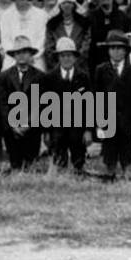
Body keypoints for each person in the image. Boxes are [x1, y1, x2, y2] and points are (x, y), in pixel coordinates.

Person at [93, 31, 131, 179]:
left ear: (126, 51)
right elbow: (97, 98)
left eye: (120, 48)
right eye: (112, 48)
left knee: (127, 151)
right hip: (108, 120)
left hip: (128, 120)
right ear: (108, 50)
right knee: (109, 150)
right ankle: (110, 173)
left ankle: (127, 173)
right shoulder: (101, 70)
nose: (116, 51)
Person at [0, 35, 45, 169]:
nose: (22, 56)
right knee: (15, 163)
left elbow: (40, 104)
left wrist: (28, 124)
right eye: (18, 52)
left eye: (25, 52)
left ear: (31, 55)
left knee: (30, 163)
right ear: (14, 55)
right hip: (12, 129)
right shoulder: (5, 77)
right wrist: (14, 125)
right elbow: (3, 104)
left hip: (32, 127)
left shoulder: (40, 76)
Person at [48, 37, 92, 174]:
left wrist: (88, 130)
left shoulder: (83, 77)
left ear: (75, 58)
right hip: (57, 125)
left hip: (77, 125)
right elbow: (45, 107)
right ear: (58, 58)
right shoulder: (50, 78)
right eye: (63, 56)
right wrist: (46, 131)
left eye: (69, 55)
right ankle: (59, 170)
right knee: (59, 155)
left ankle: (79, 170)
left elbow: (89, 105)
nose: (66, 59)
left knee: (78, 155)